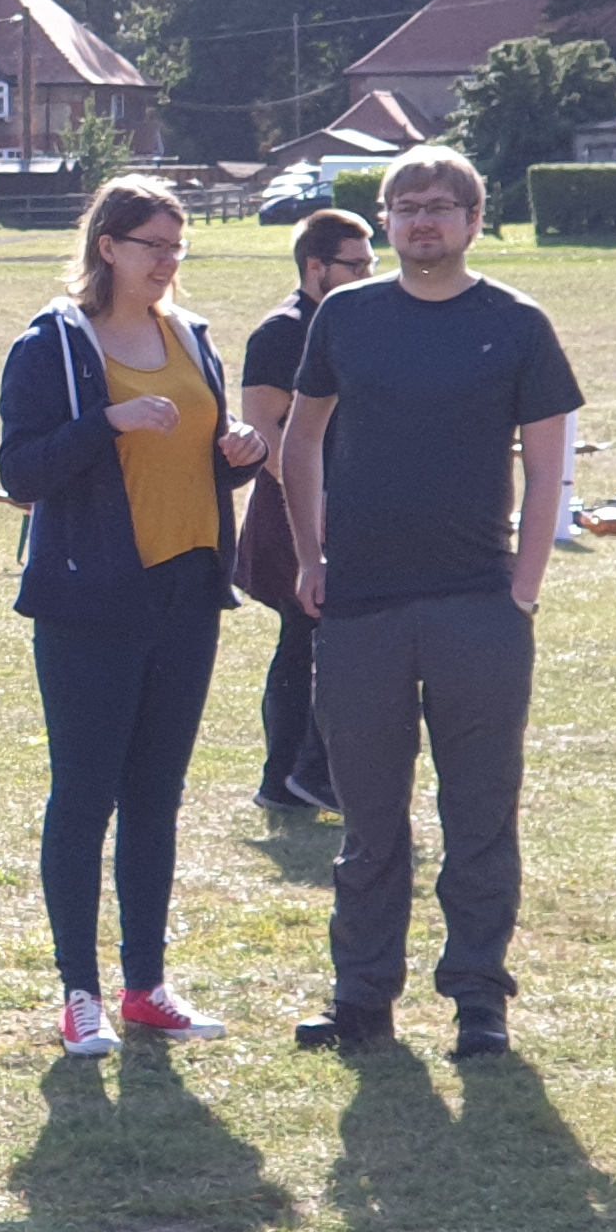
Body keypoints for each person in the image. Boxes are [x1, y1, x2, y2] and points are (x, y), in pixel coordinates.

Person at [280, 146, 578, 1060]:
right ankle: (361, 998)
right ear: (387, 220)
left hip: (478, 607)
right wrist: (310, 556)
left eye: (440, 207)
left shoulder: (516, 323)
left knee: (479, 816)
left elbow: (548, 468)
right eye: (406, 207)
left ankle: (478, 1000)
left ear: (474, 220)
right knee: (370, 824)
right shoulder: (346, 316)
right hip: (361, 605)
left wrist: (523, 589)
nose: (422, 222)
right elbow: (300, 441)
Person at [0, 176, 266, 1057]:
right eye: (153, 245)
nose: (168, 262)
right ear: (107, 246)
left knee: (156, 796)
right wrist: (107, 422)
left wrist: (243, 452)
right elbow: (20, 473)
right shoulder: (52, 344)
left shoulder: (191, 334)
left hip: (188, 592)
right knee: (85, 796)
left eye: (178, 247)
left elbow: (203, 459)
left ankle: (146, 987)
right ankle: (79, 994)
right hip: (91, 599)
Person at [235, 208, 375, 816]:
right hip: (295, 514)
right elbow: (263, 431)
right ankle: (299, 776)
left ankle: (290, 780)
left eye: (371, 262)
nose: (368, 274)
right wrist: (314, 506)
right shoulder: (282, 332)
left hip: (339, 507)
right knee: (308, 639)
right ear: (316, 266)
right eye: (355, 265)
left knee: (311, 642)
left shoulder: (351, 321)